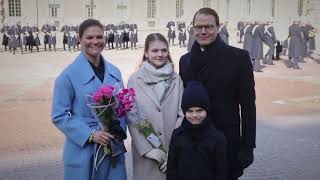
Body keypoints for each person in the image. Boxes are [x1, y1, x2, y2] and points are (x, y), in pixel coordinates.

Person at [179, 8, 256, 180]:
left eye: (209, 27)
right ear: (193, 28)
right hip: (194, 143)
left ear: (218, 27)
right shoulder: (184, 61)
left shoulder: (239, 58)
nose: (203, 31)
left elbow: (248, 106)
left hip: (227, 142)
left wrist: (248, 146)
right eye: (199, 27)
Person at [51, 19, 127, 180]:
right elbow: (59, 115)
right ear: (79, 39)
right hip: (83, 151)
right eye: (89, 37)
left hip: (113, 147)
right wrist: (90, 134)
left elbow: (121, 109)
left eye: (99, 37)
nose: (95, 42)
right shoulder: (67, 76)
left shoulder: (115, 72)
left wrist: (117, 131)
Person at [126, 33, 184, 180]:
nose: (160, 54)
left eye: (164, 50)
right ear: (146, 53)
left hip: (172, 150)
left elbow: (182, 115)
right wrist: (146, 150)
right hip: (147, 155)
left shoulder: (177, 79)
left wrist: (174, 149)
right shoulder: (134, 79)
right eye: (155, 50)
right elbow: (132, 116)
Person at [167, 81, 227, 180]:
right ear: (184, 111)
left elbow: (221, 172)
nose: (194, 115)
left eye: (199, 110)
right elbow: (172, 170)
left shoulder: (217, 139)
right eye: (190, 111)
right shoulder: (177, 135)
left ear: (206, 110)